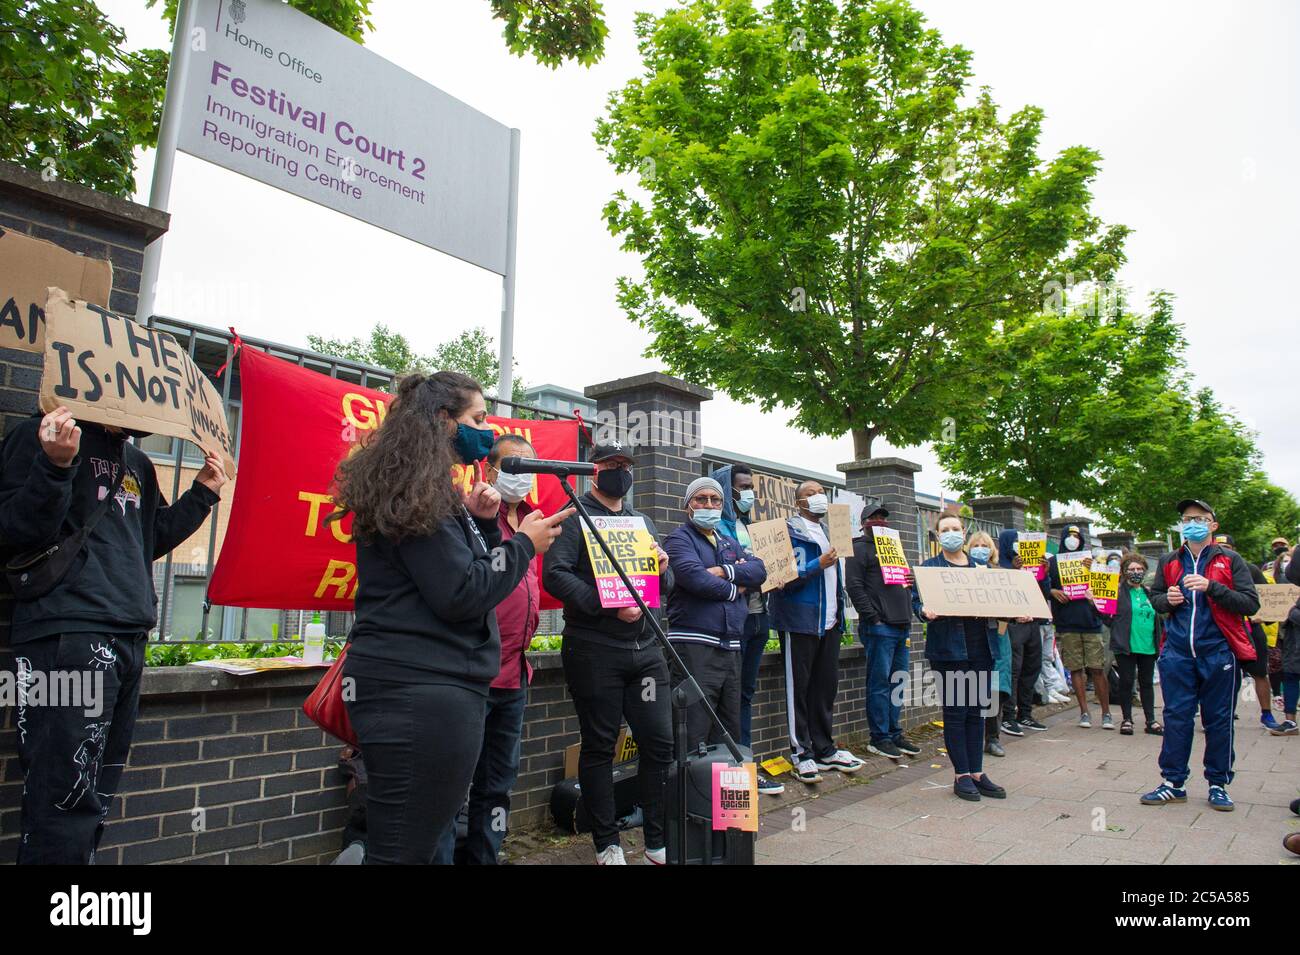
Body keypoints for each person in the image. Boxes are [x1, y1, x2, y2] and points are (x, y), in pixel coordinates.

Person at [335, 372, 570, 865]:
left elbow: (455, 574)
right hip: (419, 693)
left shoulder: (426, 489)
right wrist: (524, 543)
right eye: (478, 419)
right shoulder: (418, 490)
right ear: (444, 421)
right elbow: (462, 592)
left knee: (416, 839)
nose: (486, 431)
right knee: (406, 848)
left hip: (425, 689)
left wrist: (484, 524)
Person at [0, 406, 226, 864]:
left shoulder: (137, 462)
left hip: (127, 636)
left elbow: (148, 538)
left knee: (95, 793)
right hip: (65, 636)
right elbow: (15, 531)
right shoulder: (36, 436)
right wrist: (54, 464)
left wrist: (202, 494)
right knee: (62, 794)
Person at [542, 442, 676, 865]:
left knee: (659, 743)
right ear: (593, 471)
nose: (619, 471)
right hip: (595, 649)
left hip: (646, 649)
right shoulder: (575, 517)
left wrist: (663, 566)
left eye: (624, 465)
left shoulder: (642, 521)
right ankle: (607, 841)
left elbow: (665, 585)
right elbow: (555, 575)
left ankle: (656, 837)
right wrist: (605, 605)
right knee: (599, 746)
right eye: (610, 465)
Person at [433, 433, 544, 864]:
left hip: (515, 676)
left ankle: (485, 856)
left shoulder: (533, 522)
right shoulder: (468, 518)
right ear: (490, 470)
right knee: (450, 787)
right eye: (512, 467)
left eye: (529, 469)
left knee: (497, 785)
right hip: (470, 675)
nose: (522, 477)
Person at [1140, 499, 1259, 812]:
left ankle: (1218, 784)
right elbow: (1155, 599)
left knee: (1218, 719)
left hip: (1218, 651)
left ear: (1213, 525)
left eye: (1201, 518)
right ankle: (1173, 783)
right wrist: (1169, 599)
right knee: (1176, 716)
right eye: (1187, 518)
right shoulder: (1169, 561)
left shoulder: (1231, 560)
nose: (1193, 523)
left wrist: (1211, 587)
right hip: (1177, 653)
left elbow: (1250, 603)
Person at [913, 515, 1032, 801]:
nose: (951, 533)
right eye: (945, 530)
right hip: (949, 652)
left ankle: (977, 772)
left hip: (981, 648)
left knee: (977, 711)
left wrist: (1016, 615)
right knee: (956, 712)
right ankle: (961, 775)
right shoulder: (930, 569)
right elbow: (918, 603)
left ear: (963, 533)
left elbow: (997, 604)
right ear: (937, 535)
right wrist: (924, 611)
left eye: (956, 529)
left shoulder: (981, 568)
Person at [768, 480, 864, 784]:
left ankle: (825, 749)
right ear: (799, 503)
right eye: (810, 494)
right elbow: (781, 581)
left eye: (821, 492)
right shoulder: (787, 531)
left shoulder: (830, 531)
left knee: (825, 687)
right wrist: (816, 564)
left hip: (831, 621)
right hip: (799, 621)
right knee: (800, 689)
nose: (818, 497)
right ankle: (801, 753)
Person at [663, 476, 767, 750]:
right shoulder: (678, 539)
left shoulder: (728, 542)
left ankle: (720, 791)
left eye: (715, 500)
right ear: (688, 505)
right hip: (695, 646)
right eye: (701, 499)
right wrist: (736, 589)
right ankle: (692, 792)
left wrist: (724, 571)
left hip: (731, 646)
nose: (708, 504)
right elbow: (695, 578)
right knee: (694, 728)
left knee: (728, 731)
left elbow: (759, 570)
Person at [714, 463, 784, 794]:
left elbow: (759, 570)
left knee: (745, 693)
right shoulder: (719, 529)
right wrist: (748, 572)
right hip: (734, 621)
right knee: (728, 694)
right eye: (741, 487)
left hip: (759, 618)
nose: (748, 494)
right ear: (727, 490)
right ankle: (731, 768)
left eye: (751, 487)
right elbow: (735, 571)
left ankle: (746, 763)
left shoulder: (750, 525)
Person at [844, 497, 922, 761]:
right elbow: (854, 587)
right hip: (880, 628)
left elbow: (904, 584)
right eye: (873, 518)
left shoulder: (894, 547)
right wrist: (873, 618)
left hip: (901, 626)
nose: (879, 521)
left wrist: (911, 580)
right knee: (879, 684)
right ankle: (879, 738)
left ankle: (895, 732)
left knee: (897, 683)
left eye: (883, 517)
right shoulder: (858, 549)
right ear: (863, 524)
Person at [1043, 524, 1111, 728]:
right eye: (1069, 535)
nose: (1073, 539)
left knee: (1097, 668)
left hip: (1091, 621)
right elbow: (1043, 587)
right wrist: (1053, 591)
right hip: (1066, 623)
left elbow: (1105, 586)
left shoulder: (1092, 561)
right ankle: (1084, 712)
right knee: (1075, 669)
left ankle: (1106, 713)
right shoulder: (1053, 563)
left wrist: (1095, 570)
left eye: (1076, 536)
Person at [1214, 533, 1278, 730]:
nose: (1224, 552)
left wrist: (1263, 616)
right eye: (1219, 548)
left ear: (1235, 550)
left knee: (1260, 671)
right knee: (1221, 673)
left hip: (1248, 628)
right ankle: (1223, 713)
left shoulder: (1249, 569)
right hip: (1221, 629)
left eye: (1228, 548)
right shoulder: (1207, 569)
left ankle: (1266, 714)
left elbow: (1270, 601)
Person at [995, 528, 1051, 729]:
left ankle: (1025, 713)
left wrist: (1044, 573)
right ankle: (1008, 716)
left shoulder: (1033, 566)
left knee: (1031, 668)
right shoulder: (1000, 567)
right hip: (1012, 626)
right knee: (1014, 671)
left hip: (1032, 623)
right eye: (1015, 542)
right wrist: (1014, 571)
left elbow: (1044, 594)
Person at [965, 531, 1013, 759]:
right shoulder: (961, 573)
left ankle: (992, 736)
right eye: (976, 544)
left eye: (985, 545)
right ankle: (974, 735)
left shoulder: (1001, 574)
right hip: (973, 636)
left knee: (996, 687)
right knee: (975, 687)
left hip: (998, 636)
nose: (981, 548)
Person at [1108, 552, 1163, 736]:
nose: (1136, 572)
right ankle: (1127, 719)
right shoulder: (1117, 593)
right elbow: (1108, 619)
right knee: (1126, 682)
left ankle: (1151, 720)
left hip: (1148, 645)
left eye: (1139, 569)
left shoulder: (1149, 593)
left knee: (1146, 683)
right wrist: (1093, 603)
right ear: (1124, 572)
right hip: (1126, 645)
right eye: (1132, 569)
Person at [1274, 598, 1300, 736]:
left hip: (1295, 651)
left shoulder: (1294, 612)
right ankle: (1290, 722)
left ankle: (1290, 722)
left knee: (1291, 680)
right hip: (1293, 651)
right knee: (1290, 680)